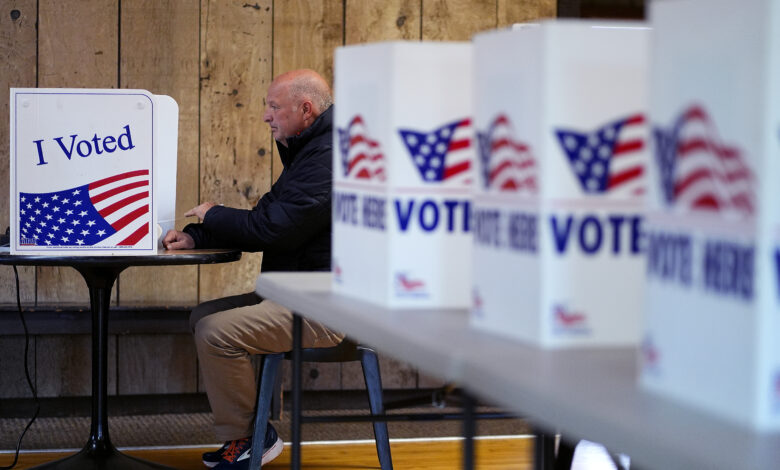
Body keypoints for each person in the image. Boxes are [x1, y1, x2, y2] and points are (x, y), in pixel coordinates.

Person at [163, 69, 344, 469]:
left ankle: (251, 437)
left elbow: (274, 229)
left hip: (329, 304)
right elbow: (267, 220)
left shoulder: (328, 157)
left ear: (306, 109)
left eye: (274, 107)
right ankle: (251, 430)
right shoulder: (310, 153)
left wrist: (213, 215)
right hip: (299, 291)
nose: (266, 115)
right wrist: (197, 236)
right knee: (204, 315)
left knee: (216, 331)